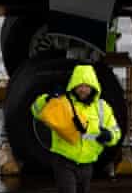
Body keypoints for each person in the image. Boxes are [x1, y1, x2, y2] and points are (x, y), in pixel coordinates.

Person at [31, 65, 121, 193]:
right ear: (73, 86)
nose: (83, 90)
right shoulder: (63, 103)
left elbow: (116, 131)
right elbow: (35, 110)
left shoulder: (102, 107)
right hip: (64, 161)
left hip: (87, 164)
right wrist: (47, 99)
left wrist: (109, 135)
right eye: (79, 86)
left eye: (86, 86)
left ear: (93, 87)